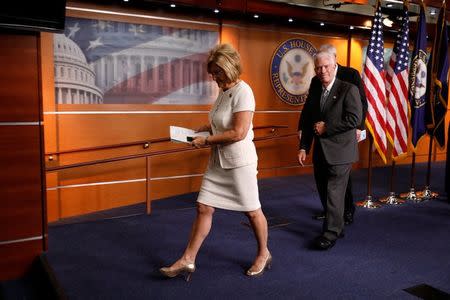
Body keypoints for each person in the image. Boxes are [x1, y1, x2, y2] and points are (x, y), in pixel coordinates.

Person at [160, 43, 271, 280]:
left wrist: (206, 140)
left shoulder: (244, 92)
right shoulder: (223, 92)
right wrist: (202, 129)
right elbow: (221, 122)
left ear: (229, 68)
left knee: (252, 212)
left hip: (239, 163)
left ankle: (263, 253)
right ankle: (188, 259)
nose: (213, 77)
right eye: (212, 73)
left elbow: (238, 132)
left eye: (217, 72)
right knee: (203, 207)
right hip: (218, 161)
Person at [298, 49, 362, 250]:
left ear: (335, 66)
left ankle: (330, 233)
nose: (322, 70)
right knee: (324, 189)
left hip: (341, 150)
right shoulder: (316, 86)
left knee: (334, 191)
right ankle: (337, 224)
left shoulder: (348, 88)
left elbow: (354, 119)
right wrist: (304, 147)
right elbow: (309, 118)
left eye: (326, 66)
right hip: (320, 150)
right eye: (318, 67)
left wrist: (328, 127)